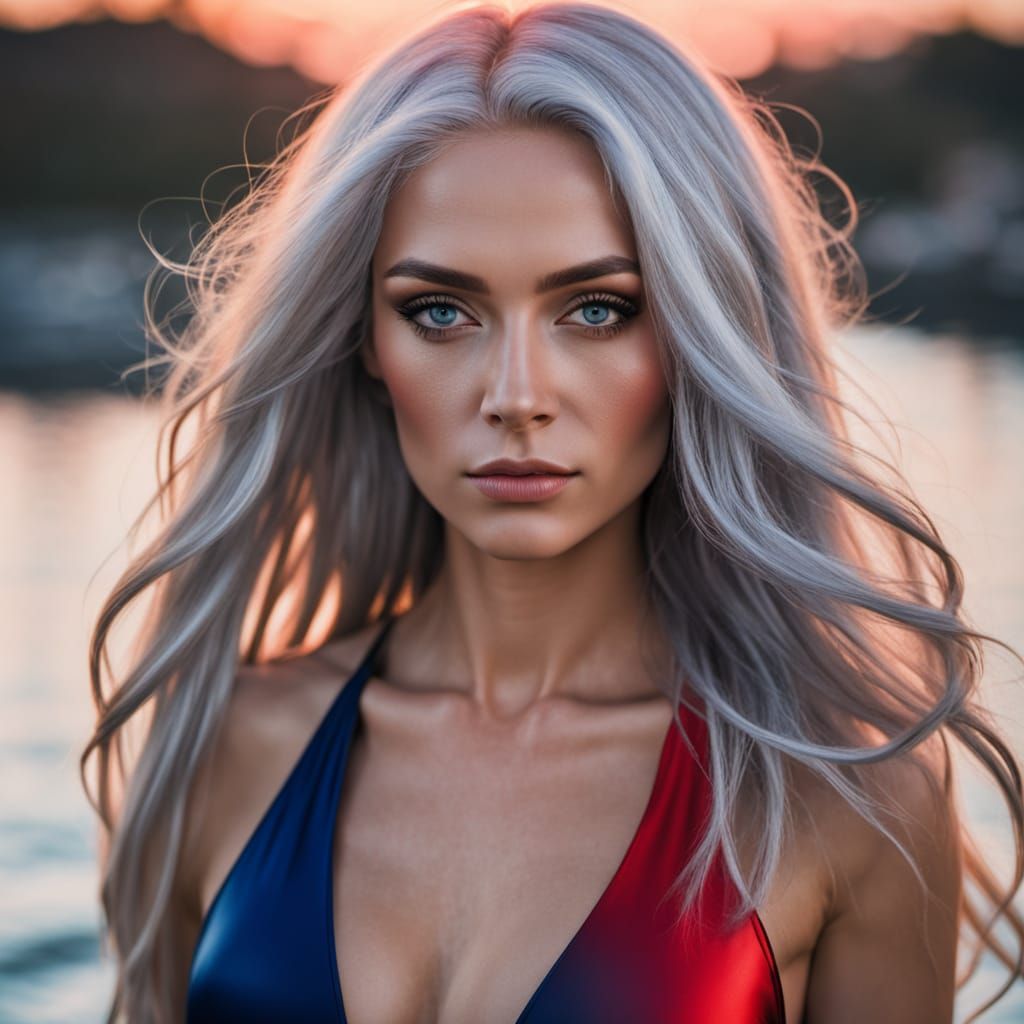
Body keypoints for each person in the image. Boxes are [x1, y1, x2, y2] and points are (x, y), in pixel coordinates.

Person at [81, 3, 1024, 1022]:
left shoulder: (844, 791)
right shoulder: (221, 742)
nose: (515, 394)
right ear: (362, 337)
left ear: (702, 336)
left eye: (597, 308)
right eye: (439, 311)